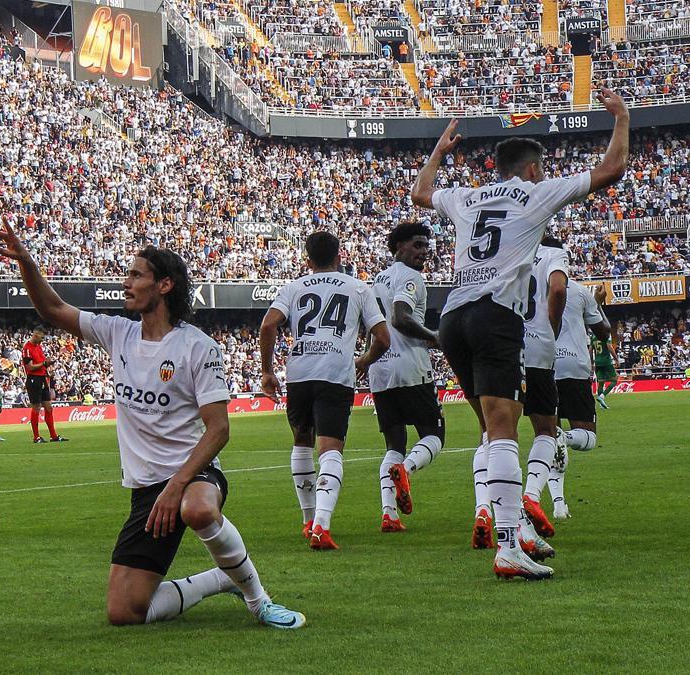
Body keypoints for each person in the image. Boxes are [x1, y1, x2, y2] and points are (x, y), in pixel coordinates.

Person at [0, 220, 305, 629]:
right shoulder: (118, 333)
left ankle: (258, 600)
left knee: (199, 510)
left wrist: (177, 486)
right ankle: (221, 578)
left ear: (164, 286)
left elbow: (219, 429)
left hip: (193, 474)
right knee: (125, 613)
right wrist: (27, 263)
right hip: (146, 489)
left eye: (137, 275)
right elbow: (52, 309)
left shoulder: (198, 347)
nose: (127, 283)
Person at [410, 86, 629, 580]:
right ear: (532, 170)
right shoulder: (534, 194)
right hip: (494, 317)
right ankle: (509, 546)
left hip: (453, 319)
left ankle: (518, 532)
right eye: (542, 169)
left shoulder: (467, 197)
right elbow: (610, 170)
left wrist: (440, 153)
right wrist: (621, 119)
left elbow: (421, 194)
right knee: (507, 429)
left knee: (489, 430)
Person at [258, 231, 390, 550]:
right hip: (334, 371)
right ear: (339, 256)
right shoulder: (357, 287)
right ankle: (322, 526)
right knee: (330, 448)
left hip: (300, 371)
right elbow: (383, 338)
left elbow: (267, 325)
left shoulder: (293, 287)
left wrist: (266, 371)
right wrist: (364, 360)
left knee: (302, 442)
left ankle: (307, 520)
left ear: (308, 259)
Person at [368, 223, 445, 533]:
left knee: (394, 443)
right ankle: (407, 469)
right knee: (434, 435)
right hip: (410, 367)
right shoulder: (409, 277)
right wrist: (434, 337)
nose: (423, 252)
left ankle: (389, 513)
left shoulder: (377, 280)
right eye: (417, 245)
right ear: (398, 247)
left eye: (425, 246)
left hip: (381, 370)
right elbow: (400, 318)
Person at [518, 235, 570, 550]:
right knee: (546, 431)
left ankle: (487, 512)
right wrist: (552, 322)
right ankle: (532, 494)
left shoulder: (509, 247)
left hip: (504, 348)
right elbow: (559, 288)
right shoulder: (552, 254)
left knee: (496, 436)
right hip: (538, 350)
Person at [551, 279, 612, 519]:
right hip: (573, 367)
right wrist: (598, 304)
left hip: (542, 365)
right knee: (588, 436)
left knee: (547, 440)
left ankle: (558, 505)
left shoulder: (529, 284)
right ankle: (564, 436)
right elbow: (604, 331)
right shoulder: (578, 290)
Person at [22, 328, 68, 443]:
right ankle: (36, 437)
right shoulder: (27, 348)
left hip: (42, 379)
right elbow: (30, 367)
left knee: (49, 407)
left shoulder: (39, 347)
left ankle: (53, 436)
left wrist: (47, 369)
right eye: (41, 337)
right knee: (36, 407)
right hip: (33, 379)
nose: (42, 340)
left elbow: (41, 364)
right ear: (36, 335)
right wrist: (44, 363)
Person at [593, 331, 618, 409]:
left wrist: (591, 362)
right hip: (606, 361)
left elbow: (590, 350)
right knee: (615, 379)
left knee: (601, 382)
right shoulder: (606, 336)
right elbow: (609, 346)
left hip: (597, 362)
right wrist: (616, 358)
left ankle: (601, 405)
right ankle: (602, 396)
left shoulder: (593, 338)